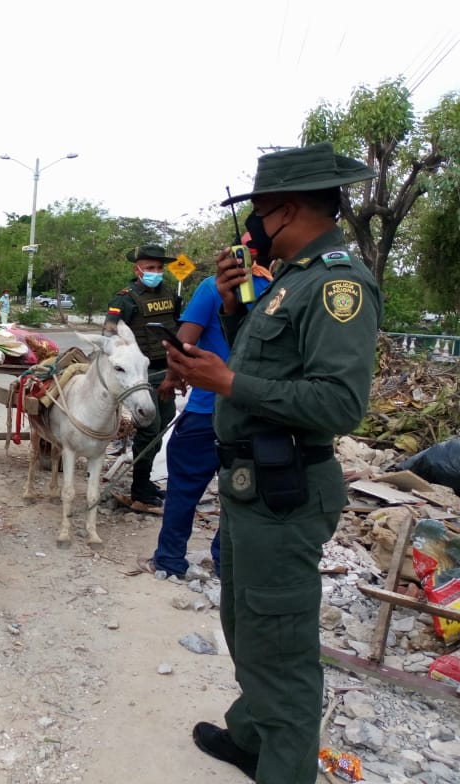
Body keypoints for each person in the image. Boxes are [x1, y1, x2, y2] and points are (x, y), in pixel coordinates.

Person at [164, 142, 381, 784]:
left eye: (255, 213)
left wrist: (229, 384)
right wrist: (233, 309)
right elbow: (274, 362)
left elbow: (340, 402)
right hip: (253, 485)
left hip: (285, 488)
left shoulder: (339, 283)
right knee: (247, 622)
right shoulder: (290, 279)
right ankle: (250, 735)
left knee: (278, 646)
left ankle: (284, 766)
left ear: (284, 210)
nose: (250, 227)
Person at [137, 240, 272, 579]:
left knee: (184, 486)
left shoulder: (214, 287)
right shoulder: (279, 292)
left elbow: (183, 343)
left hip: (207, 410)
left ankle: (169, 560)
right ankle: (225, 563)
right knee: (240, 492)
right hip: (257, 412)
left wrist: (171, 380)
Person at [103, 244, 182, 508]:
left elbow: (179, 329)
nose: (156, 272)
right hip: (141, 375)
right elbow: (109, 334)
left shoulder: (171, 295)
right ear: (137, 270)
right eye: (150, 268)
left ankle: (145, 480)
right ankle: (139, 488)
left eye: (160, 268)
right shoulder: (124, 299)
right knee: (149, 429)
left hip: (166, 371)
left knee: (162, 426)